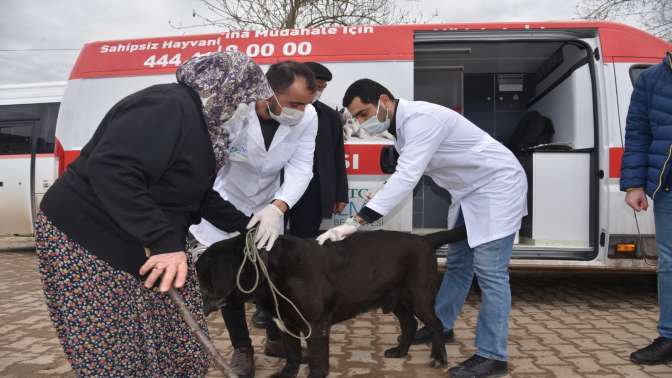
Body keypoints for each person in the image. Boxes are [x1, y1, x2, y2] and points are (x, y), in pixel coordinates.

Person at [34, 51, 273, 377]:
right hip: (87, 235)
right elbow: (114, 169)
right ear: (222, 88)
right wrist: (162, 242)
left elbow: (196, 194)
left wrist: (246, 225)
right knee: (117, 340)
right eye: (245, 100)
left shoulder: (207, 128)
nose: (245, 109)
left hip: (137, 233)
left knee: (175, 335)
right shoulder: (167, 105)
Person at [317, 79, 527, 378]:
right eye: (357, 118)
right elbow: (405, 173)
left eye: (363, 114)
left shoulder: (421, 120)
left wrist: (356, 221)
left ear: (383, 100)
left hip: (498, 186)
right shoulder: (403, 132)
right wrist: (380, 195)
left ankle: (493, 355)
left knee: (490, 272)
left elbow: (408, 176)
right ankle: (439, 326)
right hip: (468, 193)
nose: (362, 122)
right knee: (457, 264)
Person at [189, 60, 318, 378]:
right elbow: (209, 160)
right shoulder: (234, 110)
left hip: (268, 204)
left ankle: (276, 339)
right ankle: (242, 350)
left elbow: (302, 167)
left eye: (306, 104)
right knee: (229, 280)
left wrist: (278, 207)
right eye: (295, 103)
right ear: (267, 92)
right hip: (224, 199)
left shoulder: (308, 116)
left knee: (270, 274)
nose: (301, 111)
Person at [621, 52, 672, 365]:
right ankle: (669, 336)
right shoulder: (651, 79)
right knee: (669, 264)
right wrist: (635, 184)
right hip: (667, 186)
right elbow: (638, 132)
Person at [286, 61, 348, 238]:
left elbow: (337, 155)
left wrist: (340, 193)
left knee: (305, 241)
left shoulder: (330, 117)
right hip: (279, 185)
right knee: (272, 235)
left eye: (322, 88)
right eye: (315, 87)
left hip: (313, 190)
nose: (318, 92)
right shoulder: (282, 109)